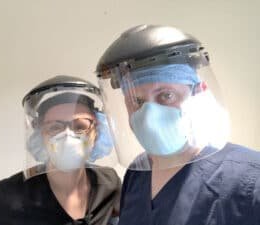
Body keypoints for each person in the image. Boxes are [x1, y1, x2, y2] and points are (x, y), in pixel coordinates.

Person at [95, 25, 260, 225]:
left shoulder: (250, 178)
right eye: (137, 101)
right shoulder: (137, 172)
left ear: (198, 93)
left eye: (166, 95)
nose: (149, 116)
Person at [0, 75, 121, 225]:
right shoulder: (9, 194)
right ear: (40, 136)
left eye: (80, 126)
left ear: (97, 132)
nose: (67, 136)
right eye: (55, 128)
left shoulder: (109, 183)